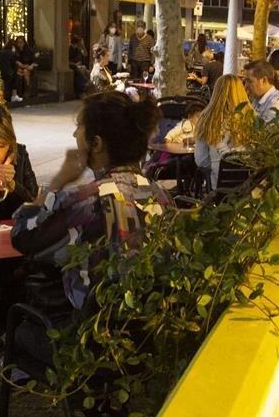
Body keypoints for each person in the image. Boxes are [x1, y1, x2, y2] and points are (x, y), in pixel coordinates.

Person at [11, 91, 171, 317]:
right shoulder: (162, 195)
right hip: (148, 326)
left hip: (89, 332)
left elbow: (22, 236)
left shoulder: (85, 201)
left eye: (79, 126)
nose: (75, 133)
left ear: (96, 143)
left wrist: (57, 183)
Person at [195, 74, 254, 189]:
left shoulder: (206, 119)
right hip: (249, 187)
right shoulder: (252, 118)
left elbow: (201, 161)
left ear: (216, 93)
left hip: (219, 186)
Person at [14, 35, 38, 101]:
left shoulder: (29, 51)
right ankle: (19, 93)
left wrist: (31, 66)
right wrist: (18, 64)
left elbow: (34, 61)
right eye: (18, 42)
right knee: (19, 73)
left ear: (24, 43)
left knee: (25, 72)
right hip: (20, 68)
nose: (19, 44)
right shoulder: (16, 51)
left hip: (28, 68)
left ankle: (27, 91)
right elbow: (16, 61)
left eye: (21, 42)